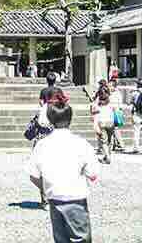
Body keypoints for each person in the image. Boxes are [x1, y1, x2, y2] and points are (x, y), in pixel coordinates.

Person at [28, 92, 99, 243]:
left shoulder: (42, 145)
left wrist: (47, 188)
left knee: (60, 239)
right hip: (76, 197)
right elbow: (93, 172)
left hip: (54, 198)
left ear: (51, 120)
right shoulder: (81, 143)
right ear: (70, 118)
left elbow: (33, 175)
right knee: (80, 238)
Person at [93, 87, 114, 164]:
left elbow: (93, 111)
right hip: (111, 122)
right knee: (109, 140)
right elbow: (114, 109)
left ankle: (107, 157)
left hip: (102, 122)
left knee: (104, 141)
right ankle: (107, 155)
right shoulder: (111, 100)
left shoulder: (98, 102)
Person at [108, 79, 125, 152]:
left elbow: (120, 104)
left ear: (114, 87)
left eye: (110, 86)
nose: (109, 87)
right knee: (112, 129)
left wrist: (118, 110)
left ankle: (121, 144)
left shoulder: (117, 94)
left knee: (115, 129)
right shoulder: (109, 93)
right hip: (110, 113)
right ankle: (113, 145)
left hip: (115, 113)